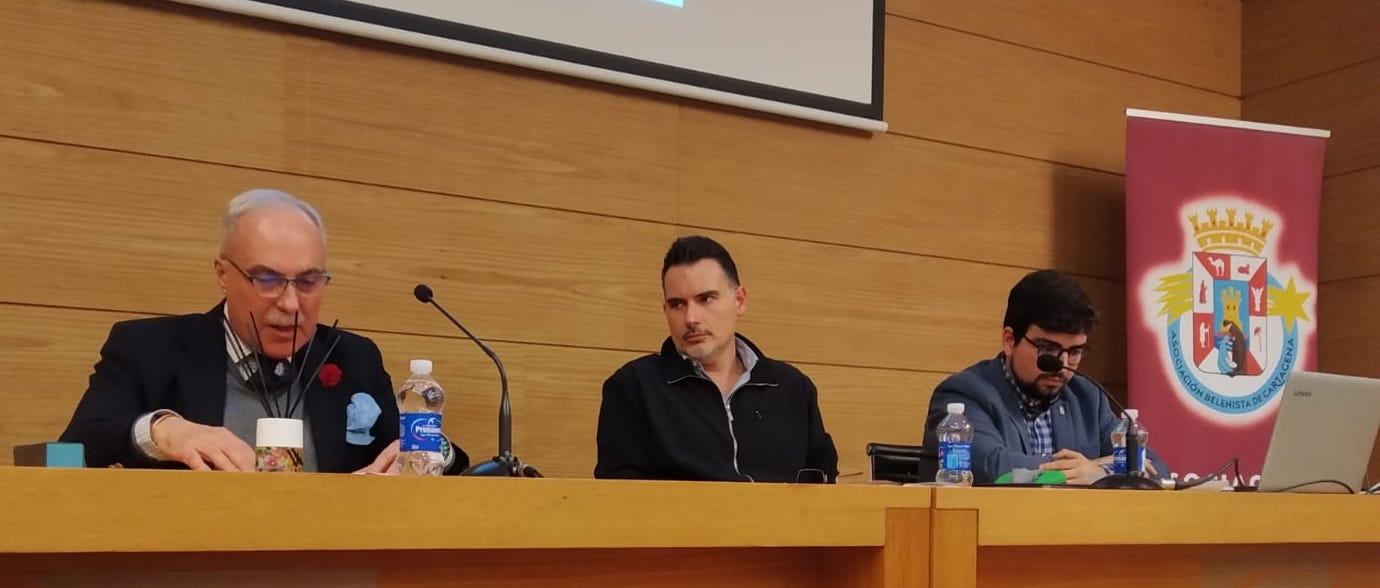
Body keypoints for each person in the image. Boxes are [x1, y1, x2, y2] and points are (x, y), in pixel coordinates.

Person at [59, 189, 468, 474]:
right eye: (267, 280)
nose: (290, 304)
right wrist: (161, 430)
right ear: (223, 274)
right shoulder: (151, 348)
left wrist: (432, 450)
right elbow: (73, 449)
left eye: (308, 282)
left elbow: (419, 453)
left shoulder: (352, 357)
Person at [595, 235, 838, 482]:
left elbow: (825, 485)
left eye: (705, 299)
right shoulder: (634, 387)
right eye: (677, 304)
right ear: (665, 310)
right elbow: (617, 497)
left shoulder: (793, 388)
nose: (691, 318)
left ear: (739, 300)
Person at [922, 269, 1169, 484]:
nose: (1062, 366)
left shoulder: (1087, 398)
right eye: (1048, 350)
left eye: (1075, 352)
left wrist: (1100, 472)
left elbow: (1154, 468)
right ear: (1010, 340)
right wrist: (1091, 467)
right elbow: (990, 468)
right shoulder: (964, 394)